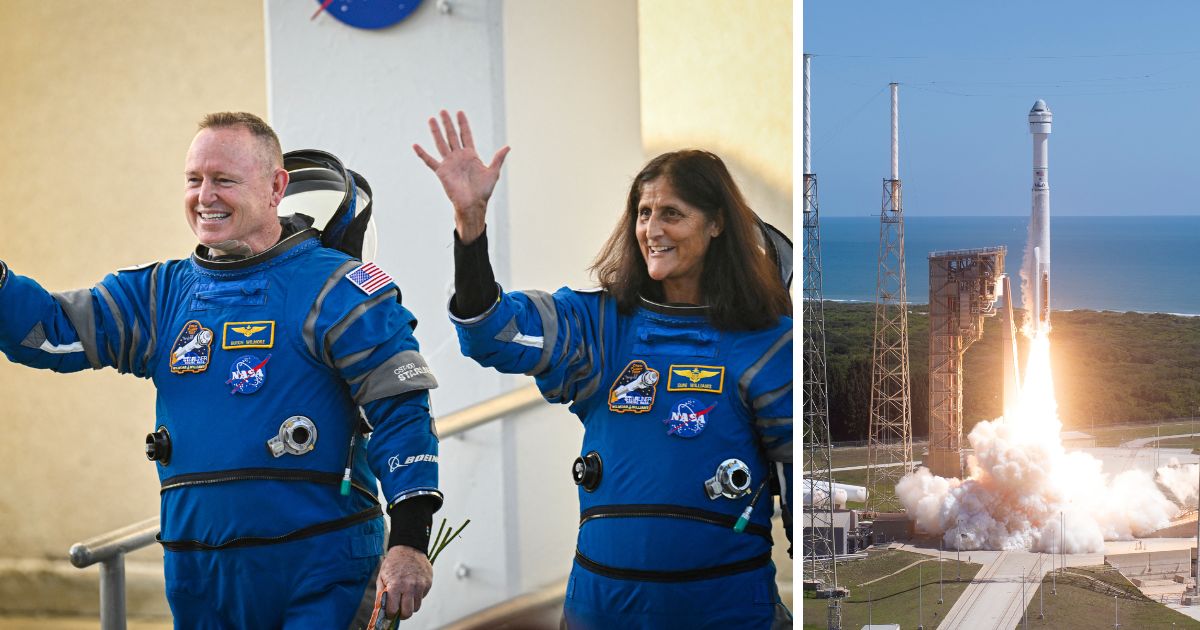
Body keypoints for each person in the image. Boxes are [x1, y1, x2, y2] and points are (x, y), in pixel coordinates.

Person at [0, 112, 440, 628]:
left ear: (277, 187)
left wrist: (410, 541)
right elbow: (50, 334)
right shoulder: (159, 295)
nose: (205, 196)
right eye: (194, 179)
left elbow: (402, 411)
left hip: (323, 573)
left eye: (224, 180)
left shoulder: (339, 289)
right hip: (198, 575)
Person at [414, 110, 793, 629]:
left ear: (717, 223)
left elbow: (809, 500)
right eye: (643, 212)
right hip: (601, 609)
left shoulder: (767, 344)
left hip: (722, 611)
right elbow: (491, 333)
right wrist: (471, 226)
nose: (652, 230)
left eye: (672, 214)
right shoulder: (600, 326)